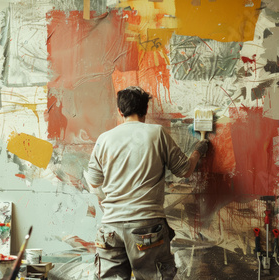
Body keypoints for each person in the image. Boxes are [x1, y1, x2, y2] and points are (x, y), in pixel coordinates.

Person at [85, 86, 209, 280]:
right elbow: (184, 170)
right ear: (146, 109)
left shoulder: (104, 139)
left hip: (110, 229)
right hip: (147, 226)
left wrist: (107, 203)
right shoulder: (157, 134)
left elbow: (93, 182)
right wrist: (198, 151)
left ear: (120, 111)